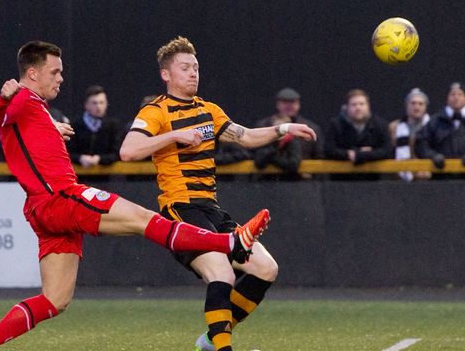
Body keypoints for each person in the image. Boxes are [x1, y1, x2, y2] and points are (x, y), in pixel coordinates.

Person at [0, 40, 270, 351]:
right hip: (61, 197)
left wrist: (50, 124)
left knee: (55, 300)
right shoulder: (23, 97)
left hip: (42, 210)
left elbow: (12, 127)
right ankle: (229, 242)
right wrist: (2, 99)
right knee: (143, 219)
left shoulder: (35, 107)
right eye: (55, 72)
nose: (61, 78)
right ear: (33, 74)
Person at [120, 36, 317, 351]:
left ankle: (213, 338)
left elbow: (247, 137)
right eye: (185, 68)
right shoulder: (155, 111)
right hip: (180, 209)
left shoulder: (209, 110)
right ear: (166, 75)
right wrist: (173, 135)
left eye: (196, 67)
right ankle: (222, 346)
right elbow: (128, 151)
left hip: (211, 209)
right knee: (222, 273)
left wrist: (284, 129)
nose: (193, 73)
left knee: (266, 268)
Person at [415, 82, 465, 175]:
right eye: (452, 94)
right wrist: (433, 156)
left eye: (460, 94)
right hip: (440, 179)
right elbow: (420, 143)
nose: (456, 98)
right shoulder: (435, 121)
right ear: (447, 99)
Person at [253, 87, 323, 179]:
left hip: (301, 182)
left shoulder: (310, 128)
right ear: (278, 104)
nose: (289, 106)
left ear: (299, 104)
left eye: (293, 102)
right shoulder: (264, 126)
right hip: (267, 180)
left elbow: (319, 155)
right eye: (285, 102)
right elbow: (255, 155)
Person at [324, 89, 391, 180]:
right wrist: (348, 154)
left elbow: (387, 150)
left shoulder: (380, 125)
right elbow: (329, 150)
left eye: (361, 104)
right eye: (354, 104)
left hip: (372, 180)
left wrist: (363, 155)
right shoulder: (336, 125)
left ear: (368, 106)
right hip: (341, 181)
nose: (358, 108)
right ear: (347, 107)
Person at [67, 85, 123, 169]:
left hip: (106, 179)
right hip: (79, 177)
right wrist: (80, 158)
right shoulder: (74, 125)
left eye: (101, 102)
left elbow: (117, 153)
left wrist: (99, 159)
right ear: (86, 105)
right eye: (94, 103)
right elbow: (67, 153)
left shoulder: (113, 126)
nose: (98, 107)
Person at [388, 88, 431, 181]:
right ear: (407, 106)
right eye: (413, 103)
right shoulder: (393, 128)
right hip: (400, 180)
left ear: (425, 107)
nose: (417, 107)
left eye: (420, 104)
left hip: (428, 178)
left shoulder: (433, 127)